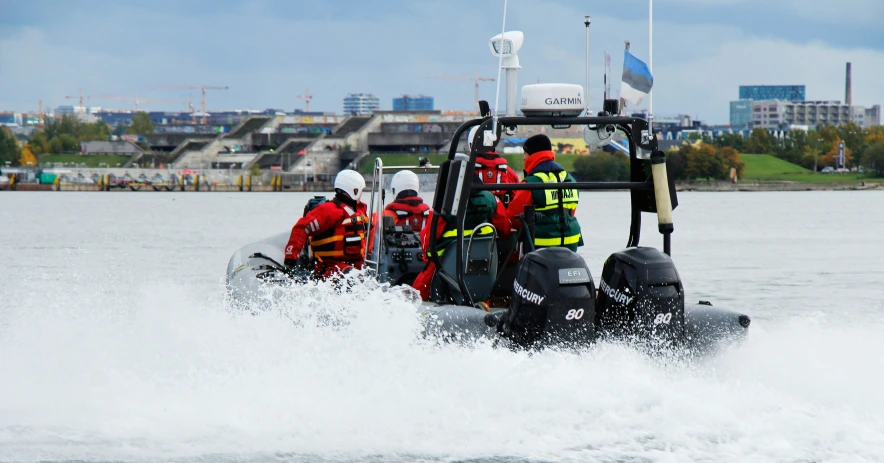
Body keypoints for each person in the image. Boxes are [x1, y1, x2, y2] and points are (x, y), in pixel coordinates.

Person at [412, 171, 511, 301]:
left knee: (417, 294)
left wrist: (427, 256)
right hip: (482, 264)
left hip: (446, 264)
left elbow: (428, 238)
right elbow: (505, 229)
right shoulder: (491, 199)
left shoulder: (444, 202)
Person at [283, 169, 369, 279]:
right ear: (355, 191)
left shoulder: (360, 211)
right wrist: (291, 260)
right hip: (329, 266)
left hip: (355, 263)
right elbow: (302, 227)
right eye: (361, 191)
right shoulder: (329, 210)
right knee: (352, 276)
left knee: (368, 274)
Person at [506, 134, 582, 251]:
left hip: (542, 244)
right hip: (571, 241)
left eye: (525, 153)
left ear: (533, 155)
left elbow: (514, 217)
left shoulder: (531, 183)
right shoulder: (570, 179)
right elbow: (571, 211)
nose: (523, 158)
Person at [367, 170, 430, 254]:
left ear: (394, 190)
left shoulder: (384, 215)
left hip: (397, 263)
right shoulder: (429, 215)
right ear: (417, 188)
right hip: (427, 261)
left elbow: (371, 249)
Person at [467, 126, 520, 203]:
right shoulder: (507, 170)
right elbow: (516, 196)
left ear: (471, 145)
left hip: (474, 213)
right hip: (502, 212)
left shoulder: (465, 170)